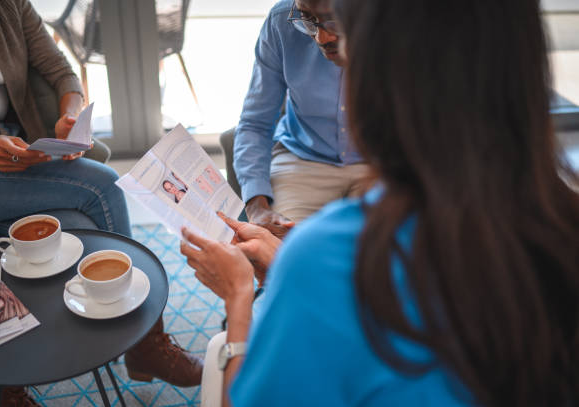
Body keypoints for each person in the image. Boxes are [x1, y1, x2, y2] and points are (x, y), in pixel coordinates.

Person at [182, 0, 579, 405]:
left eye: (345, 27)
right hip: (304, 164)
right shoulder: (562, 227)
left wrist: (240, 296)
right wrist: (263, 211)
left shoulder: (322, 257)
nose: (326, 39)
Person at [0, 1, 202, 405]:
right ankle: (145, 343)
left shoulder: (6, 4)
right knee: (102, 189)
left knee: (73, 222)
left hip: (15, 154)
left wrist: (70, 115)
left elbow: (61, 71)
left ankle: (2, 385)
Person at [234, 0, 370, 238]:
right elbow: (255, 123)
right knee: (279, 252)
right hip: (302, 158)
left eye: (332, 19)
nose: (321, 38)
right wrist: (257, 207)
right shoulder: (280, 22)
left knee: (378, 256)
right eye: (308, 19)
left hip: (378, 162)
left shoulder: (398, 26)